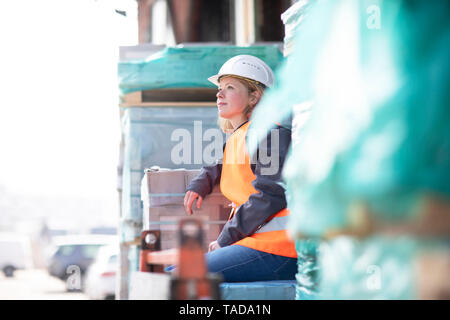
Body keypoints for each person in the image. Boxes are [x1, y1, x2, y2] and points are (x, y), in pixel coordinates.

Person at [184, 55, 297, 282]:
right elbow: (222, 163)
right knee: (173, 276)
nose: (219, 93)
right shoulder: (242, 136)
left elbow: (270, 195)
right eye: (219, 88)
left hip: (280, 249)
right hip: (259, 244)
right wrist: (202, 181)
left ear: (254, 96)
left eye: (230, 87)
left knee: (180, 278)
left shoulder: (270, 135)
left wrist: (226, 238)